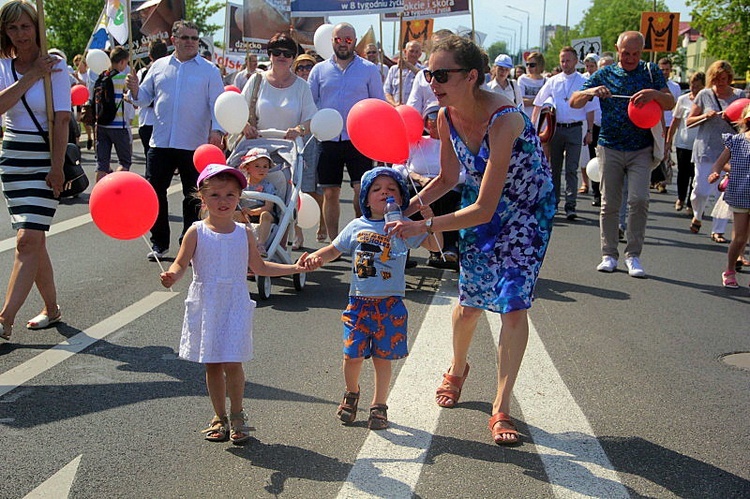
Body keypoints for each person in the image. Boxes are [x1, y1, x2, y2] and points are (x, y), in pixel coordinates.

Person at [389, 35, 555, 445]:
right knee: (468, 307)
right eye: (429, 73)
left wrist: (426, 227)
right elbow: (447, 178)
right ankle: (458, 367)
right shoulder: (444, 116)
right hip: (479, 203)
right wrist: (401, 212)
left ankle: (501, 407)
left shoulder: (506, 119)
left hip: (525, 215)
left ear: (472, 76)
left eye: (442, 74)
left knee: (513, 306)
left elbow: (485, 208)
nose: (432, 81)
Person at [160, 163, 311, 444]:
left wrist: (294, 269)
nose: (223, 201)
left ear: (239, 197)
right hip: (207, 304)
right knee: (213, 364)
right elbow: (181, 264)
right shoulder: (196, 232)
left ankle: (238, 413)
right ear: (202, 199)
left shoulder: (244, 233)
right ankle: (220, 416)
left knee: (233, 362)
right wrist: (172, 276)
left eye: (230, 195)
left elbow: (260, 267)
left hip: (234, 303)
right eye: (215, 195)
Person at [302, 167, 441, 430]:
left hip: (390, 302)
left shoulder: (404, 227)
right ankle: (351, 392)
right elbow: (334, 249)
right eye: (376, 189)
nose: (384, 193)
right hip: (358, 303)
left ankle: (379, 405)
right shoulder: (357, 226)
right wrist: (316, 257)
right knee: (351, 355)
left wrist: (428, 222)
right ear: (365, 198)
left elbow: (436, 247)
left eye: (391, 189)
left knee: (382, 357)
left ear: (401, 198)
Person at [571, 31, 675, 277]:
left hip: (641, 148)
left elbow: (670, 102)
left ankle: (634, 255)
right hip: (610, 146)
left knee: (639, 200)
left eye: (635, 53)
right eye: (625, 53)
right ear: (617, 50)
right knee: (609, 203)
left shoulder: (650, 72)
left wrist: (655, 95)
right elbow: (574, 101)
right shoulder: (605, 73)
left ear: (642, 52)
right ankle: (608, 254)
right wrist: (591, 92)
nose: (630, 58)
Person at [126, 20, 225, 261]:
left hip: (194, 144)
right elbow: (143, 99)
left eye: (194, 38)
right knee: (154, 192)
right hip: (160, 143)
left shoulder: (209, 70)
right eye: (186, 38)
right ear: (174, 40)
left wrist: (217, 131)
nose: (191, 42)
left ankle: (188, 244)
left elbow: (218, 105)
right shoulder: (159, 66)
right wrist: (135, 89)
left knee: (192, 196)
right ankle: (159, 242)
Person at [0, 0, 70, 341]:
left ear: (37, 27)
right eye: (12, 28)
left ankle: (4, 320)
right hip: (13, 158)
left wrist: (57, 167)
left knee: (27, 239)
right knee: (34, 241)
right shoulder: (3, 65)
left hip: (45, 158)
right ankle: (52, 308)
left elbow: (63, 120)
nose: (20, 34)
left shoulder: (56, 67)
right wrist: (30, 75)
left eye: (25, 26)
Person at [307, 22, 385, 239]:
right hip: (328, 139)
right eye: (338, 39)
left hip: (358, 139)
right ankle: (334, 242)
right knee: (330, 192)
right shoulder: (319, 70)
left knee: (362, 192)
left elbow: (378, 104)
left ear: (355, 41)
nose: (343, 44)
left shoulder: (368, 69)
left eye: (348, 39)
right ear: (332, 41)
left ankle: (360, 236)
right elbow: (310, 104)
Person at [393, 103, 464, 269]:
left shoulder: (456, 144)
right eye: (430, 117)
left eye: (438, 118)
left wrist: (445, 179)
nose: (433, 122)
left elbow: (465, 172)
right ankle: (403, 246)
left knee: (447, 197)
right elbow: (398, 166)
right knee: (408, 195)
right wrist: (419, 178)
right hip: (419, 186)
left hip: (448, 186)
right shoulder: (416, 142)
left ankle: (448, 247)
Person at [532, 46, 596, 221]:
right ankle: (554, 203)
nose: (565, 64)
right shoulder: (553, 81)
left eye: (568, 60)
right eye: (562, 61)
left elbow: (590, 109)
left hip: (575, 128)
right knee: (554, 169)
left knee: (571, 169)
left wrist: (589, 131)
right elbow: (539, 103)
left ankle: (571, 205)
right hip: (556, 129)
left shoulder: (584, 81)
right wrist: (533, 126)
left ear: (575, 61)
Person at [685, 60, 744, 244]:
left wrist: (733, 119)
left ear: (730, 78)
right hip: (706, 148)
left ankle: (718, 230)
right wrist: (705, 116)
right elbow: (689, 121)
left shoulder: (739, 96)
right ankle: (698, 214)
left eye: (724, 79)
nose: (721, 83)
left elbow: (746, 122)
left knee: (724, 193)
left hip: (730, 150)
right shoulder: (705, 95)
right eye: (717, 79)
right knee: (700, 190)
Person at [240, 32, 315, 143]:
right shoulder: (256, 80)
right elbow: (238, 111)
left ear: (293, 58)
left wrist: (299, 130)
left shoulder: (302, 86)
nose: (281, 56)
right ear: (270, 55)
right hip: (257, 146)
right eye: (276, 52)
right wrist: (246, 127)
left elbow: (311, 119)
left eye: (287, 53)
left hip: (290, 150)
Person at [708, 104, 750, 288]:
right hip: (741, 193)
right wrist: (715, 172)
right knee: (740, 238)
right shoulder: (737, 140)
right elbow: (719, 163)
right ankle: (730, 270)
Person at [292, 53, 326, 243]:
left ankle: (322, 223)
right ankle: (298, 233)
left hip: (318, 141)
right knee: (296, 187)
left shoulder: (320, 88)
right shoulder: (292, 88)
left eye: (308, 67)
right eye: (300, 67)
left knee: (317, 189)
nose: (305, 71)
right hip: (297, 142)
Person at [666, 71, 705, 214]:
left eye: (698, 87)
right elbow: (675, 121)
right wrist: (668, 141)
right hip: (683, 142)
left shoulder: (708, 101)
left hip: (700, 144)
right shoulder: (683, 100)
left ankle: (691, 203)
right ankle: (681, 198)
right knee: (683, 173)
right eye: (692, 86)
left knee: (696, 175)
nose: (694, 90)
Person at [94, 46, 135, 182]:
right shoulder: (124, 78)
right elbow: (133, 99)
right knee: (124, 162)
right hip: (119, 126)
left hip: (101, 124)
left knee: (102, 165)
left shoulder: (101, 77)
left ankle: (98, 194)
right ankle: (117, 187)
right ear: (122, 62)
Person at [650, 57, 682, 194]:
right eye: (661, 69)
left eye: (667, 70)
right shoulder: (652, 85)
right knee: (654, 150)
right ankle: (652, 179)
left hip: (669, 123)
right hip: (654, 122)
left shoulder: (674, 87)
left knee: (666, 152)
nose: (664, 72)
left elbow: (677, 107)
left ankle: (663, 181)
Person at [236, 147, 276, 256]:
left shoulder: (268, 186)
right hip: (245, 214)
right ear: (247, 168)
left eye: (265, 166)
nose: (261, 169)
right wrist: (243, 212)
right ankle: (231, 242)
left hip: (262, 214)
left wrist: (253, 212)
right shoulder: (241, 186)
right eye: (257, 166)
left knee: (266, 215)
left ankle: (261, 245)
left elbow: (269, 207)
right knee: (232, 214)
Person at [405, 29, 453, 115]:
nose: (440, 50)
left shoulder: (466, 75)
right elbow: (413, 111)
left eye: (445, 46)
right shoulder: (422, 76)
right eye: (436, 46)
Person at [135, 39, 168, 161]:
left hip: (145, 121)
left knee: (150, 158)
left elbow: (137, 96)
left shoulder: (142, 72)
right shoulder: (169, 73)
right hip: (162, 122)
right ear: (166, 55)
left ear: (149, 55)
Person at [383, 40, 423, 106]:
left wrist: (408, 65)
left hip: (414, 110)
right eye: (411, 51)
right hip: (396, 108)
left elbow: (422, 77)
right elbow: (386, 92)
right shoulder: (394, 69)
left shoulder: (423, 70)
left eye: (417, 52)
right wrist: (394, 104)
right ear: (405, 52)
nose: (414, 54)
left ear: (420, 54)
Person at [72, 53, 93, 150]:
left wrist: (78, 79)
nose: (78, 66)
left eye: (79, 64)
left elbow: (86, 85)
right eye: (76, 65)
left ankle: (90, 137)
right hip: (78, 101)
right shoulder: (77, 74)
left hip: (86, 99)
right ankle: (78, 140)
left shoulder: (88, 73)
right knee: (78, 120)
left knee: (86, 120)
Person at [517, 52, 546, 117]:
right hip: (525, 118)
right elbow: (521, 101)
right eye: (527, 64)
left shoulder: (546, 81)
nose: (528, 67)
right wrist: (539, 101)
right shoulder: (522, 79)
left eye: (532, 65)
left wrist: (530, 101)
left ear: (540, 65)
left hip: (541, 119)